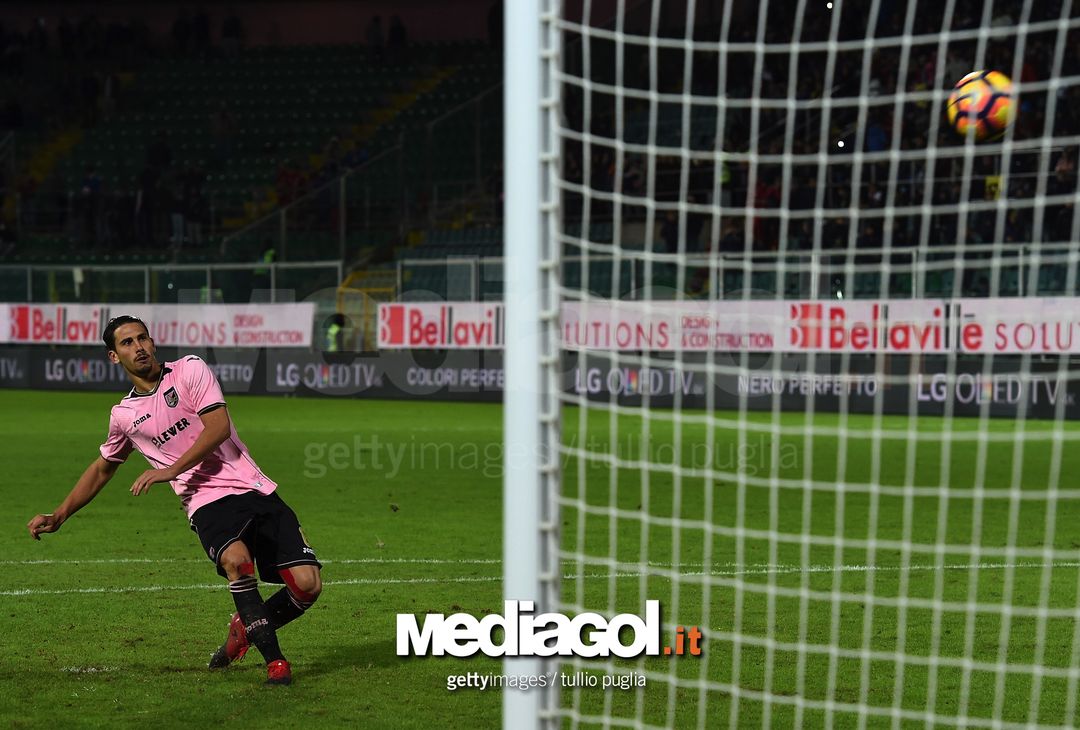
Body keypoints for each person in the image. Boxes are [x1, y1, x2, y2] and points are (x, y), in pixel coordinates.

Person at [26, 315, 322, 686]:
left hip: (251, 486)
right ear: (114, 357)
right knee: (237, 560)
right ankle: (275, 662)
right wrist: (61, 514)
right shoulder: (124, 416)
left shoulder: (189, 371)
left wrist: (170, 469)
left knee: (307, 585)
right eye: (128, 344)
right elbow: (103, 468)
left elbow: (218, 427)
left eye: (142, 339)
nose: (139, 348)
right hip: (205, 501)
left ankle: (244, 626)